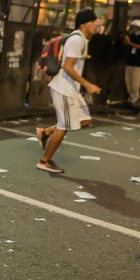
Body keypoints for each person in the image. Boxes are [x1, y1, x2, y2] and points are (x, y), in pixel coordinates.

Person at [37, 9, 102, 173]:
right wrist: (88, 84)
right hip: (64, 89)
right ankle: (44, 161)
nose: (96, 25)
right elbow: (67, 66)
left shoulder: (82, 40)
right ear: (83, 24)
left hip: (71, 89)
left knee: (85, 120)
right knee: (64, 126)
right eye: (93, 22)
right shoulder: (77, 40)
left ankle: (46, 132)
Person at [123, 19, 140, 106]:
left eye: (134, 27)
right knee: (128, 81)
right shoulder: (132, 36)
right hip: (130, 61)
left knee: (135, 83)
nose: (133, 29)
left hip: (138, 63)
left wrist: (130, 43)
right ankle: (131, 97)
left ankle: (135, 98)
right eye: (132, 27)